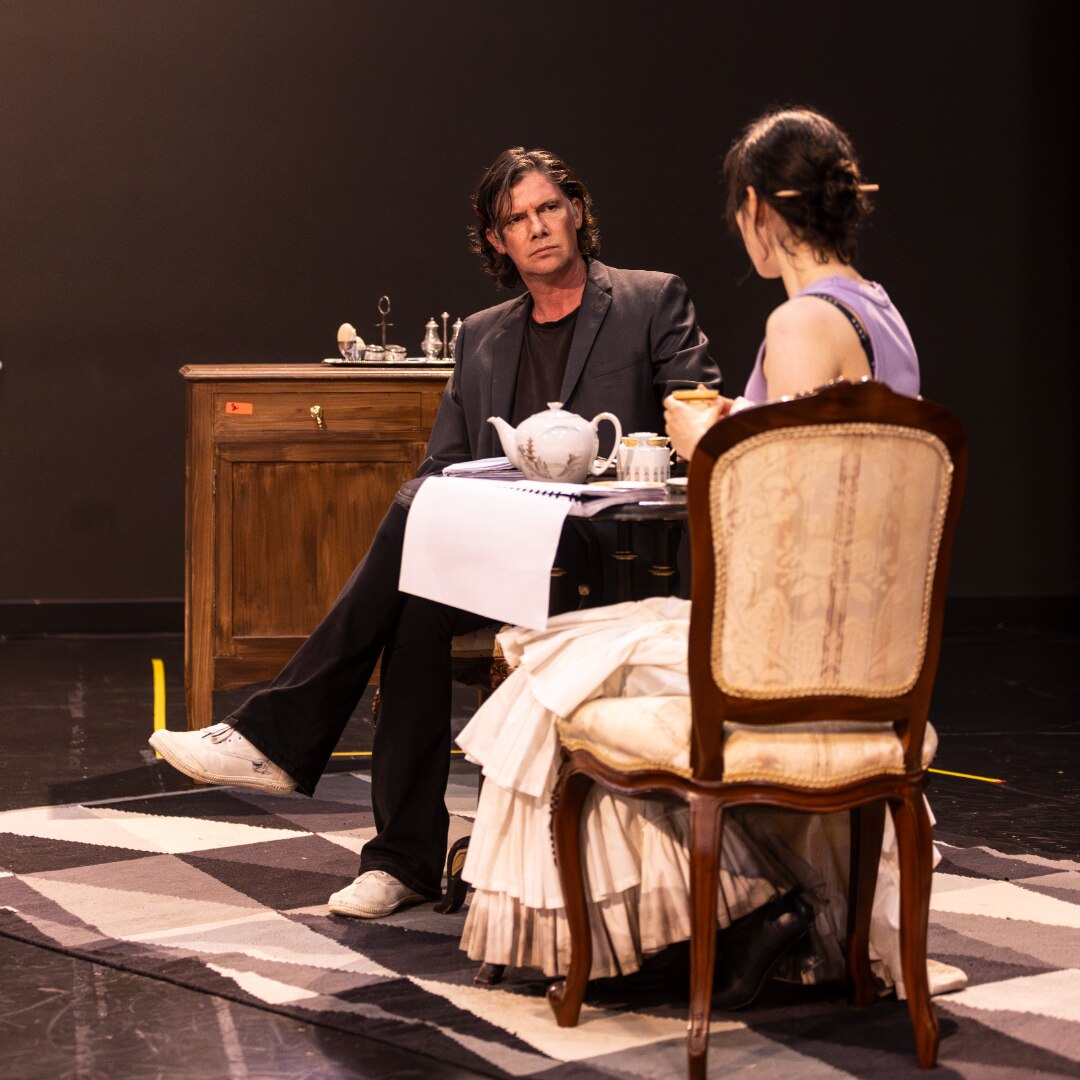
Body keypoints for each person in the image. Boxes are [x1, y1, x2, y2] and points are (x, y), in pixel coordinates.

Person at [457, 108, 965, 1006]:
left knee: (549, 673)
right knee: (580, 651)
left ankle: (713, 917)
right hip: (878, 654)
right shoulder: (880, 312)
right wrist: (737, 427)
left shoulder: (804, 322)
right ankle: (727, 913)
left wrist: (707, 446)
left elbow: (791, 520)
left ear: (762, 211)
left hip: (789, 656)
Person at [150, 147, 721, 920]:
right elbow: (444, 469)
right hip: (504, 556)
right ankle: (404, 860)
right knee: (417, 579)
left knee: (412, 580)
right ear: (496, 241)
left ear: (578, 211)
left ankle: (284, 741)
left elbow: (700, 421)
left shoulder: (649, 301)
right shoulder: (483, 335)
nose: (537, 228)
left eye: (549, 208)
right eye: (516, 219)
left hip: (609, 558)